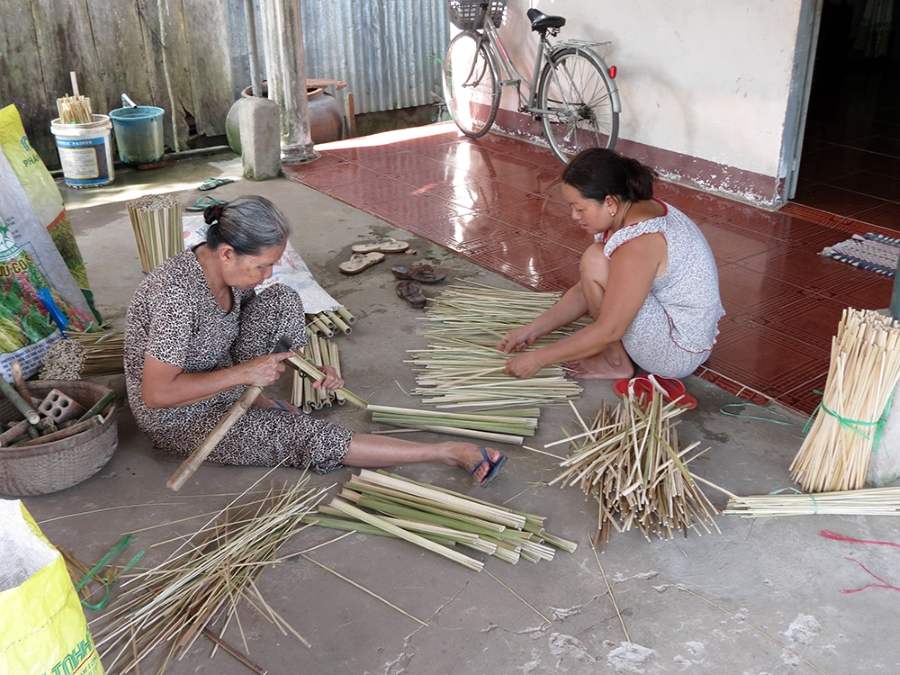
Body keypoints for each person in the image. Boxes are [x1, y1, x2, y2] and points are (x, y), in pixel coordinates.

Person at [124, 196, 506, 484]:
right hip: (181, 415)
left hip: (222, 374)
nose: (266, 273)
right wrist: (244, 374)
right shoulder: (176, 297)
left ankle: (259, 401)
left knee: (283, 298)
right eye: (261, 266)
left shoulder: (226, 273)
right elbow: (156, 395)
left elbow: (260, 326)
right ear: (226, 253)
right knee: (301, 434)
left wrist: (304, 366)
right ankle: (446, 453)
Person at [500, 149, 724, 381]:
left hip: (677, 352)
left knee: (595, 260)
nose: (574, 216)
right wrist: (531, 330)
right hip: (680, 329)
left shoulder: (638, 242)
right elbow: (584, 290)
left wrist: (538, 359)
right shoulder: (634, 209)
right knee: (596, 261)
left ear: (610, 202)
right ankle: (616, 355)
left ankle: (615, 362)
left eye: (580, 208)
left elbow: (610, 330)